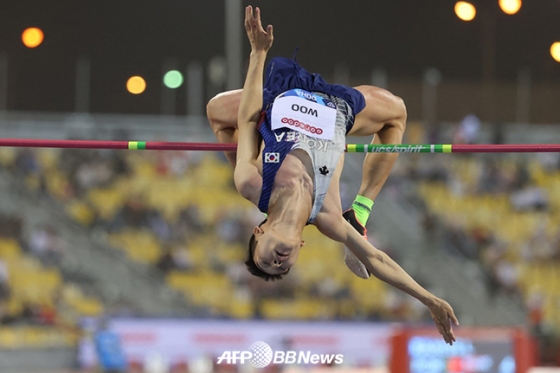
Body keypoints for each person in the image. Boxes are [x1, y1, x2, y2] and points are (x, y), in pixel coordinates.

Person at [208, 6, 459, 345]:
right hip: (335, 108)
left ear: (260, 229)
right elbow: (376, 259)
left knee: (217, 111)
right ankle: (360, 210)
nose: (278, 263)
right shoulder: (327, 218)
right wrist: (428, 299)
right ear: (301, 245)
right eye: (284, 267)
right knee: (396, 113)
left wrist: (258, 53)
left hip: (282, 97)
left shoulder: (251, 182)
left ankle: (250, 152)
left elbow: (248, 119)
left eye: (265, 259)